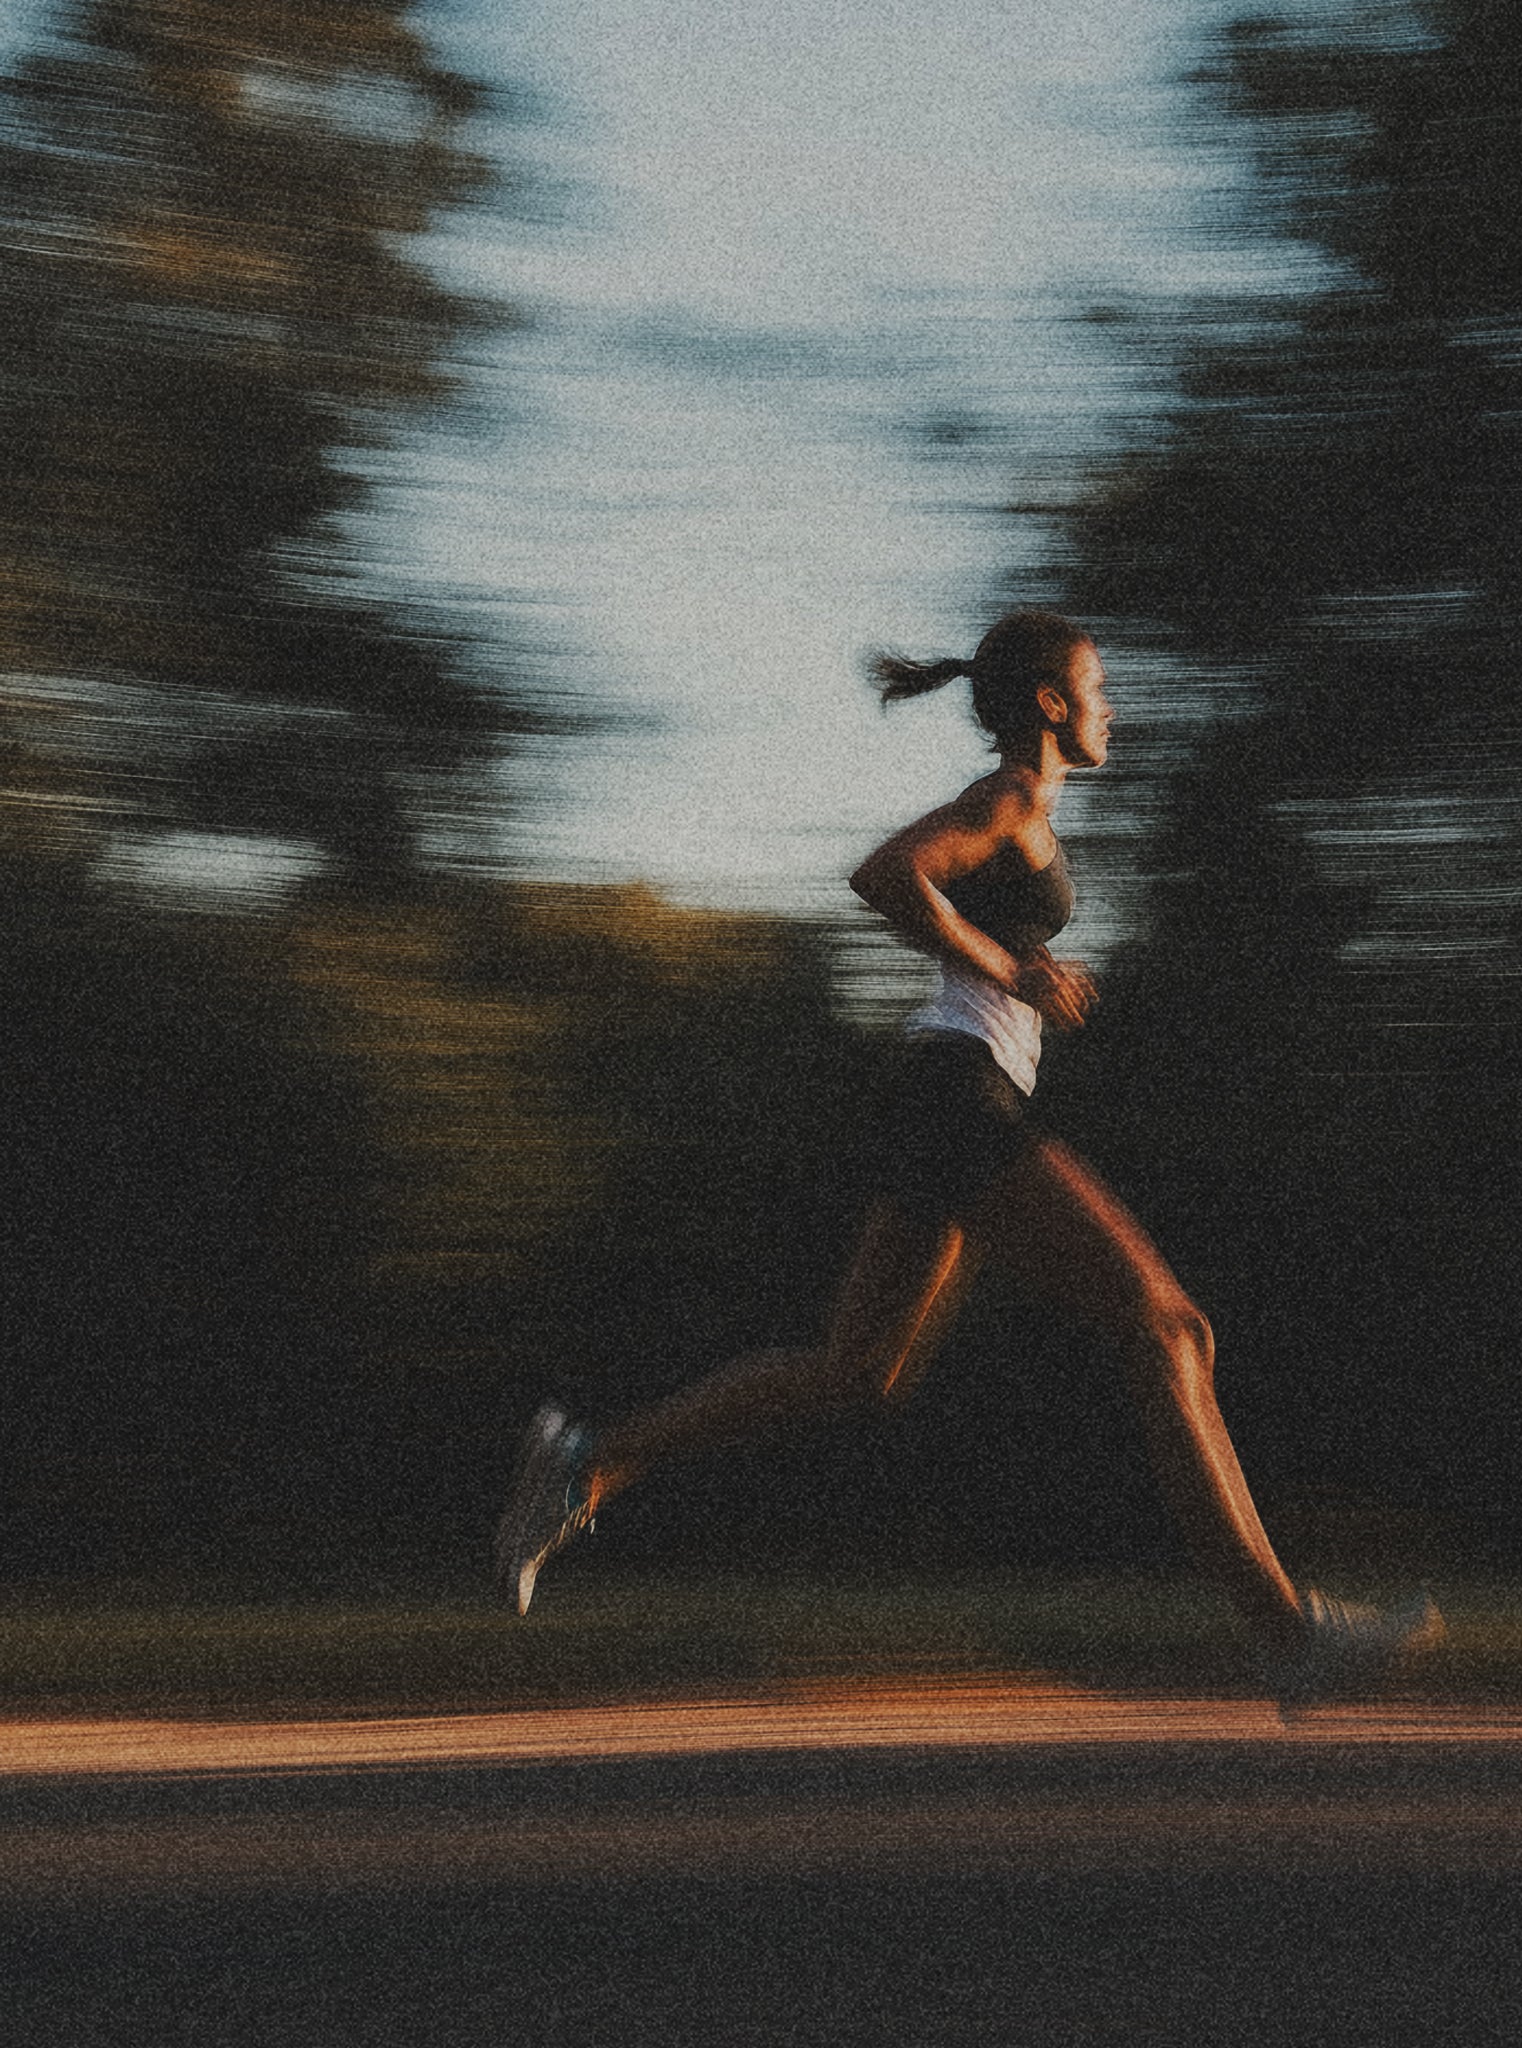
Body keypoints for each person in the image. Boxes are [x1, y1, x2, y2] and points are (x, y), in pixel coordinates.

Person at [493, 609, 1442, 1704]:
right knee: (1167, 1323)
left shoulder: (1022, 807)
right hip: (957, 1097)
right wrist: (1010, 965)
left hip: (941, 1095)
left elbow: (948, 908)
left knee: (858, 1368)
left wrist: (1018, 965)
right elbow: (885, 873)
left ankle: (586, 1461)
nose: (1110, 707)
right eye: (1096, 686)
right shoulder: (1014, 796)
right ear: (1048, 701)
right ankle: (1288, 1634)